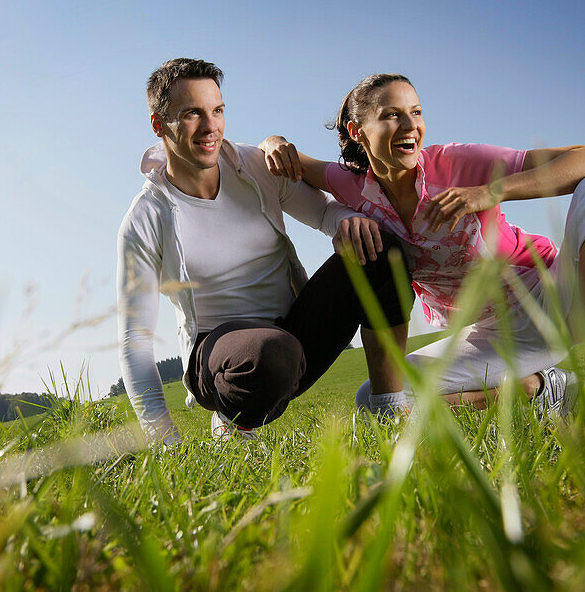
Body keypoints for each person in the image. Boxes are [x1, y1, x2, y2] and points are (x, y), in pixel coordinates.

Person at [260, 73, 585, 423]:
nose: (411, 126)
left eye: (416, 112)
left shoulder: (458, 163)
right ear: (357, 131)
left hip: (555, 296)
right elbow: (288, 158)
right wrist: (272, 142)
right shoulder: (351, 185)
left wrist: (491, 191)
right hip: (495, 334)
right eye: (392, 115)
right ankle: (541, 390)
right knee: (379, 400)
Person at [117, 59, 413, 446]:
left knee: (379, 248)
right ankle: (233, 420)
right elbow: (135, 340)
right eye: (192, 114)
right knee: (271, 353)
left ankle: (388, 409)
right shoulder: (146, 218)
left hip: (293, 334)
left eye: (217, 110)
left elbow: (323, 210)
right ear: (159, 125)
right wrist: (164, 441)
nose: (210, 127)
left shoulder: (254, 167)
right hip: (221, 358)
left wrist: (345, 221)